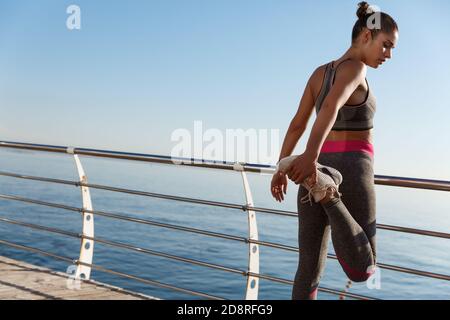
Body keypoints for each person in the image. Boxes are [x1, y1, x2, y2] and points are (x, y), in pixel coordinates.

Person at [270, 2, 399, 300]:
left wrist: (283, 167)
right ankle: (329, 194)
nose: (389, 55)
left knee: (308, 268)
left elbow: (297, 124)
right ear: (367, 35)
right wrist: (310, 158)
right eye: (386, 45)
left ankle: (322, 186)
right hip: (350, 168)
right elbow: (331, 106)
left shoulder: (318, 73)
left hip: (313, 170)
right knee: (364, 268)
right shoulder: (356, 68)